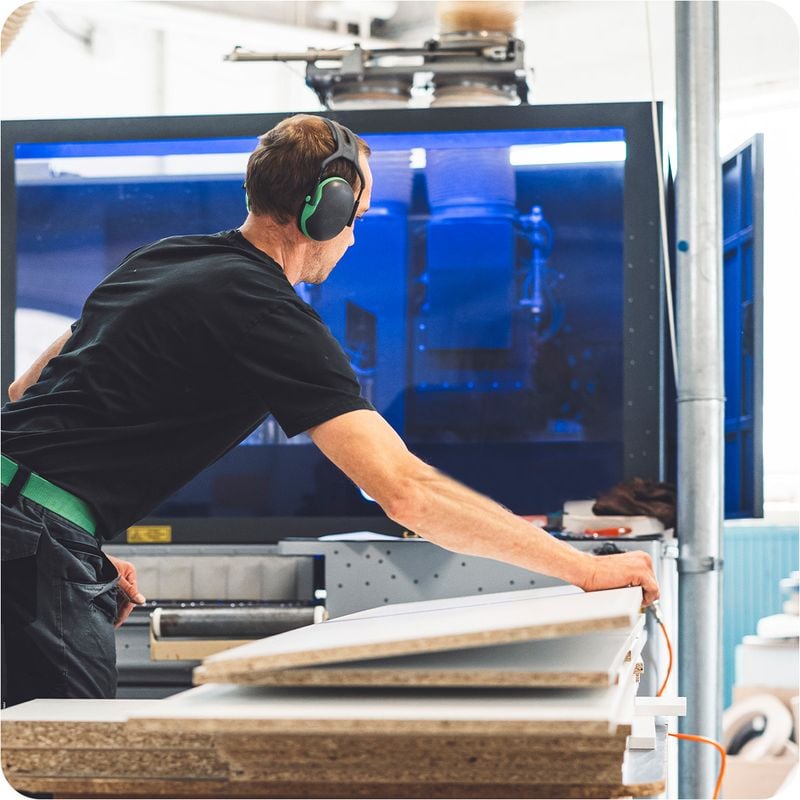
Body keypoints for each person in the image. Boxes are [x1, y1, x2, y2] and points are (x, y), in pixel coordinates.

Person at [1, 114, 659, 707]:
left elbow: (27, 392)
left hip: (24, 523)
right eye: (359, 215)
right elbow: (404, 490)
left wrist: (75, 532)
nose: (352, 237)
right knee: (70, 767)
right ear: (325, 209)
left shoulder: (167, 256)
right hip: (29, 543)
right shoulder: (268, 312)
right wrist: (585, 570)